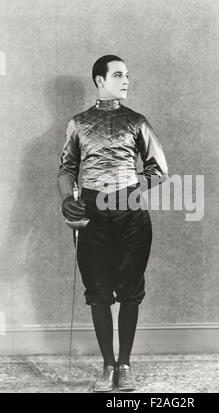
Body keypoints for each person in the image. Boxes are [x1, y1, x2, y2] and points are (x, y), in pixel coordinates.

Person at [57, 55, 168, 392]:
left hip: (131, 216)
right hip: (91, 216)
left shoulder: (137, 121)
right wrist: (67, 199)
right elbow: (67, 169)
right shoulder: (78, 123)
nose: (126, 81)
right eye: (118, 75)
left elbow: (159, 171)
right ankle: (107, 366)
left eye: (128, 75)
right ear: (99, 80)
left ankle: (125, 365)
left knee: (130, 293)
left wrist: (127, 188)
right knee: (99, 293)